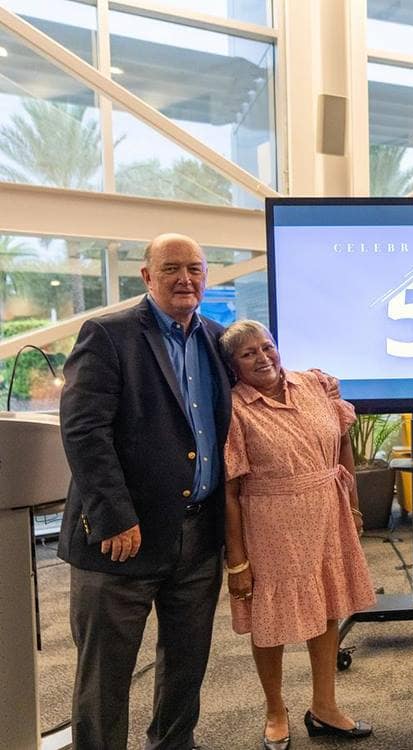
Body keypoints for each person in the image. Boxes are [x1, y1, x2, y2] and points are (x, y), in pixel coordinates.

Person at [58, 233, 232, 750]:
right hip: (121, 539)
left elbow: (255, 397)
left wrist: (317, 386)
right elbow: (84, 431)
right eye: (172, 268)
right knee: (105, 679)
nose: (185, 279)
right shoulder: (107, 335)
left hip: (198, 538)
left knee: (186, 668)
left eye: (195, 269)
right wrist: (113, 517)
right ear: (147, 277)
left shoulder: (217, 340)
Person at [219, 320, 376, 750]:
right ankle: (275, 710)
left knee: (326, 608)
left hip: (327, 513)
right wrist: (237, 561)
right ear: (233, 366)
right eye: (248, 353)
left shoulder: (314, 385)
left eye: (267, 347)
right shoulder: (233, 408)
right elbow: (230, 491)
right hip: (270, 526)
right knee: (269, 624)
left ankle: (324, 706)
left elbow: (343, 441)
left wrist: (355, 507)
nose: (263, 358)